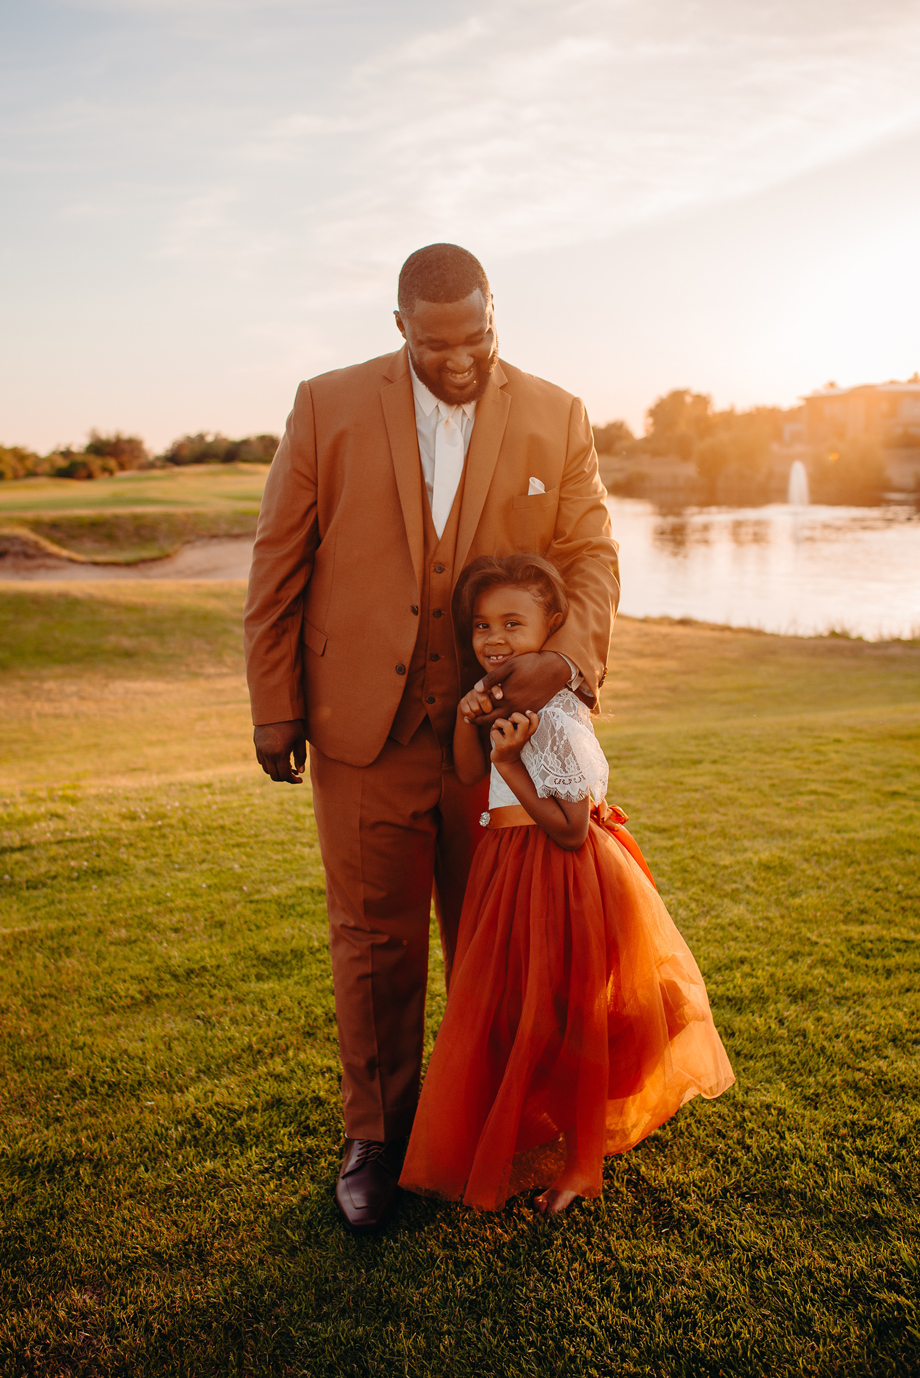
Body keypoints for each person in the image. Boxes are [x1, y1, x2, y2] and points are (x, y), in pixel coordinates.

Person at [243, 244, 619, 1230]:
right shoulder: (325, 405)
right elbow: (278, 563)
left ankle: (500, 1117)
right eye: (436, 343)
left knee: (500, 939)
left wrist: (563, 660)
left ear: (494, 313)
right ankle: (376, 1135)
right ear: (400, 326)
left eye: (476, 338)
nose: (459, 361)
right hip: (362, 726)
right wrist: (273, 700)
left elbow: (589, 555)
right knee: (372, 938)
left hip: (503, 739)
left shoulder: (557, 413)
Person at [399, 554, 734, 1213]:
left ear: (550, 627)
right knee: (523, 1010)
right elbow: (467, 772)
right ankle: (534, 1131)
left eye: (512, 623)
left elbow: (572, 829)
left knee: (574, 1017)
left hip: (560, 874)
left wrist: (509, 764)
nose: (494, 638)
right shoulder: (499, 696)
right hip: (509, 866)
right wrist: (469, 719)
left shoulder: (556, 713)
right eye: (482, 625)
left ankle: (582, 1166)